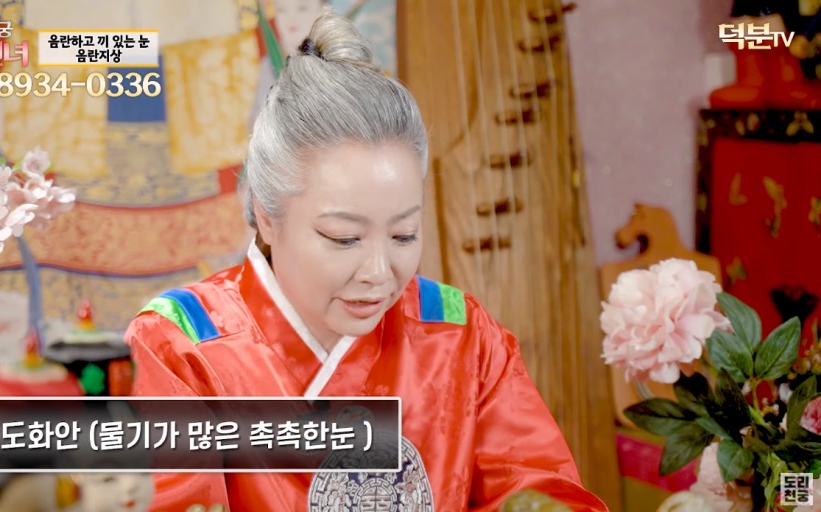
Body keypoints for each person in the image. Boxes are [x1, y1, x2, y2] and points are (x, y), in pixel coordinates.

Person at [125, 11, 608, 512]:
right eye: (344, 238)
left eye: (404, 234)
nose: (380, 274)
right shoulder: (180, 344)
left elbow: (541, 491)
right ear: (267, 216)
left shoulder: (460, 334)